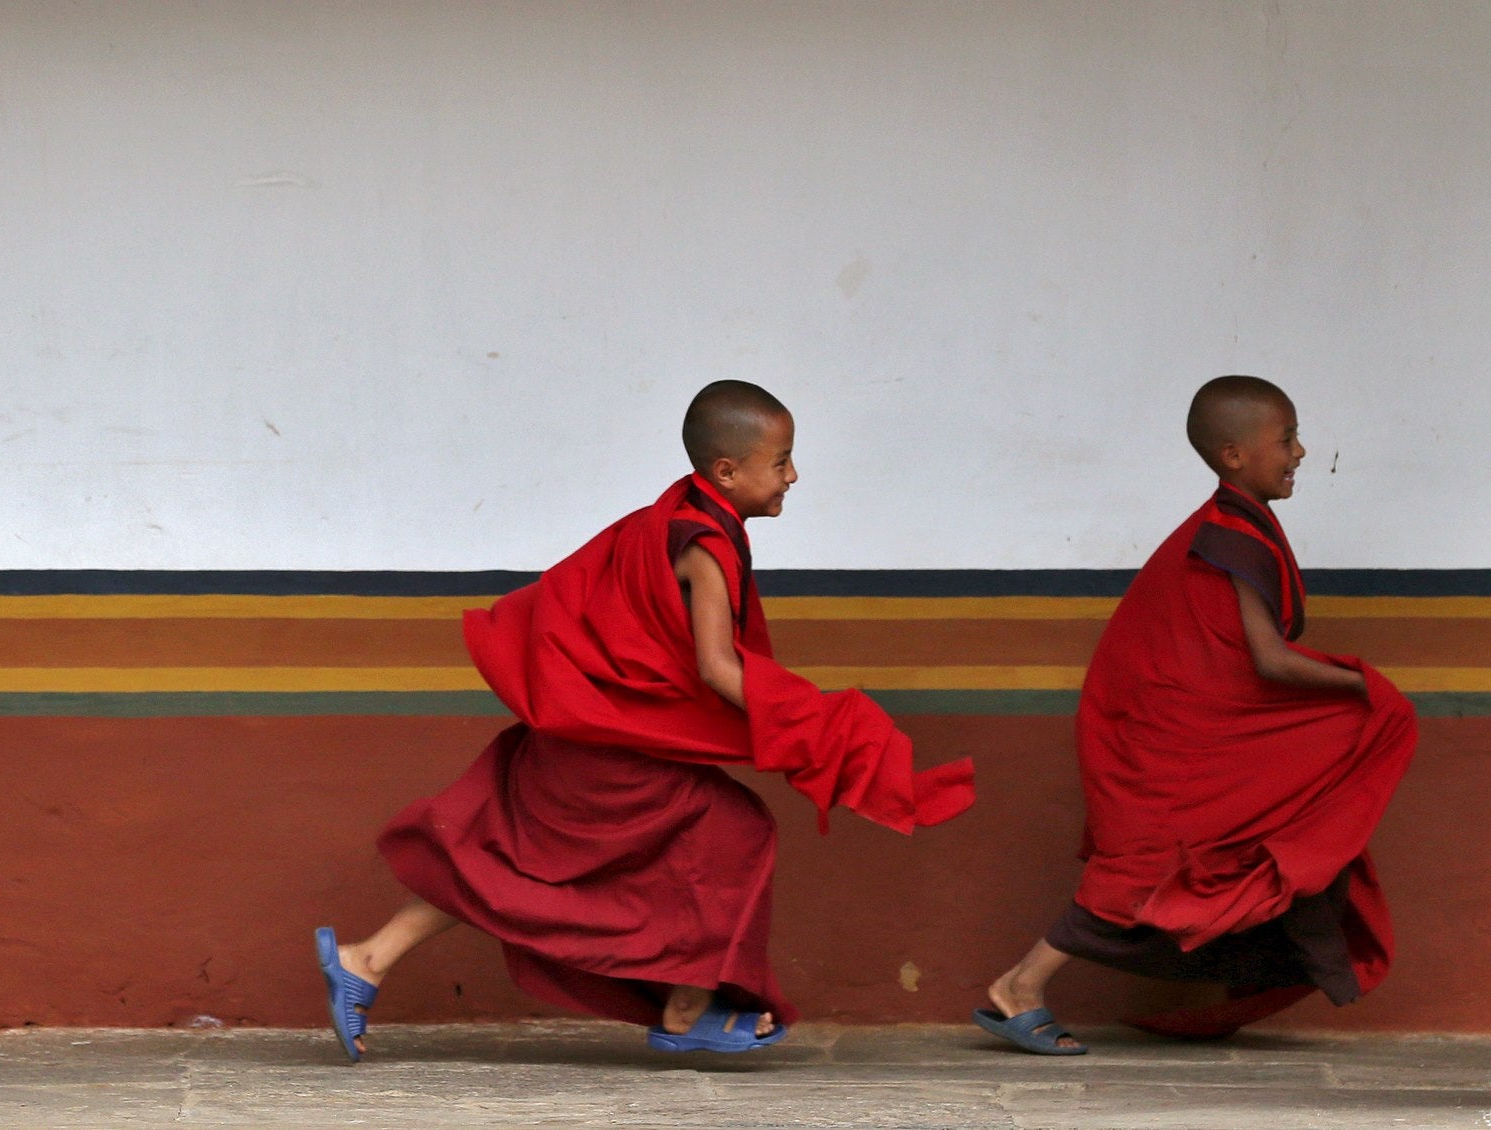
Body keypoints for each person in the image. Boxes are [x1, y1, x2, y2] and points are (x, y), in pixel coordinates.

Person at [317, 380, 976, 1061]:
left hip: (582, 730)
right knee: (736, 832)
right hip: (605, 745)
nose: (792, 475)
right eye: (780, 461)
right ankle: (687, 1008)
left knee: (510, 862)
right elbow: (718, 667)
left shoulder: (668, 516)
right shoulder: (705, 543)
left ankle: (366, 959)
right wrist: (811, 718)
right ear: (727, 470)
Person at [973, 375, 1417, 1055]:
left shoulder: (1235, 527)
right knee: (1147, 868)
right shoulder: (1232, 534)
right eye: (1288, 438)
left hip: (1195, 732)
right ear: (1235, 455)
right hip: (1178, 744)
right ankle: (1018, 987)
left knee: (1283, 841)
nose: (1301, 452)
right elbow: (1268, 660)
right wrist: (1364, 687)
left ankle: (1227, 984)